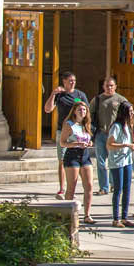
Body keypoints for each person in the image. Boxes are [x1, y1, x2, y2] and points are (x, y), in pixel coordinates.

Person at [44, 72, 88, 200]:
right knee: (62, 159)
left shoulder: (80, 95)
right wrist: (53, 94)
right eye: (70, 80)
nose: (72, 82)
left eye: (74, 80)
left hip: (78, 131)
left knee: (80, 159)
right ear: (64, 81)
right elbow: (48, 109)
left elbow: (87, 110)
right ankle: (62, 188)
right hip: (62, 130)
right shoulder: (60, 96)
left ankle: (78, 186)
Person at [58, 100, 96, 225]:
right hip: (72, 155)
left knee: (89, 185)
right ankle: (68, 215)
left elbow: (88, 138)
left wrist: (89, 143)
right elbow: (62, 142)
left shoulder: (86, 124)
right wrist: (76, 143)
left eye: (84, 110)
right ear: (74, 111)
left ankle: (87, 214)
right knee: (72, 186)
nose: (82, 112)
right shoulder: (69, 124)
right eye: (80, 109)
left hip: (84, 155)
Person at [92, 75, 128, 196]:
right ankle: (104, 187)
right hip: (101, 133)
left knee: (113, 161)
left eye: (111, 86)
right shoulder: (97, 99)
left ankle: (114, 184)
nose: (109, 88)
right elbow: (90, 114)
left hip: (114, 135)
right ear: (103, 86)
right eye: (107, 86)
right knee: (101, 161)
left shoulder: (121, 99)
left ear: (115, 86)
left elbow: (128, 114)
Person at [104, 101, 134, 228]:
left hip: (127, 160)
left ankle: (124, 217)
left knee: (127, 189)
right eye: (130, 111)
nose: (132, 113)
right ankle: (116, 218)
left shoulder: (128, 126)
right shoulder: (116, 126)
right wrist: (126, 145)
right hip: (117, 161)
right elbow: (109, 144)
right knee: (118, 189)